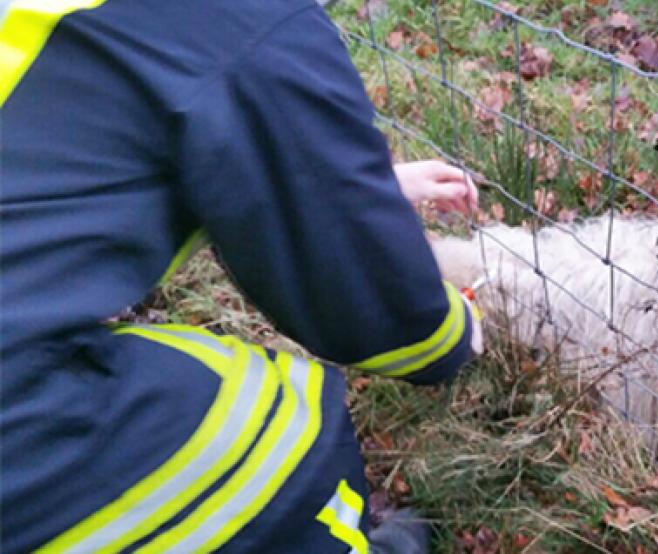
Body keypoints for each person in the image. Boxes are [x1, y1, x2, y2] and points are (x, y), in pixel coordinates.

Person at [0, 0, 481, 552]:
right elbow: (370, 308)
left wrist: (338, 184)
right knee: (274, 426)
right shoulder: (249, 19)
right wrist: (451, 333)